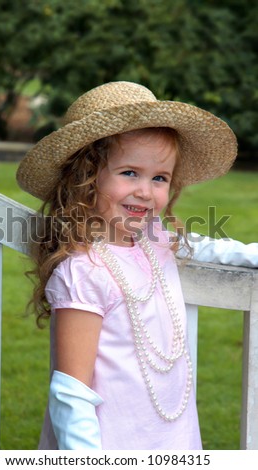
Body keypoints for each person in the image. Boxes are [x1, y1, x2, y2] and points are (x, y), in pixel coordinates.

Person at [16, 81, 258, 450]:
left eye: (159, 178)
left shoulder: (151, 238)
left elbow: (204, 247)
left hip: (168, 437)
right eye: (129, 172)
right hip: (109, 443)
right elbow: (72, 393)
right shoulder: (84, 273)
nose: (146, 191)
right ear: (85, 179)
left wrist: (251, 253)